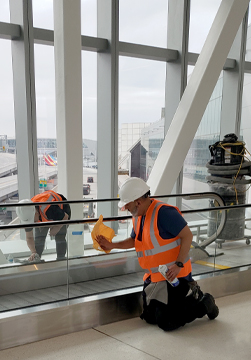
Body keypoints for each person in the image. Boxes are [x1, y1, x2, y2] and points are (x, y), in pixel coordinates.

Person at [96, 177, 219, 331]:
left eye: (127, 205)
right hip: (154, 278)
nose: (126, 208)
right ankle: (183, 302)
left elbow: (187, 235)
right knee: (149, 317)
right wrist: (112, 245)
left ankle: (203, 302)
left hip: (175, 277)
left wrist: (179, 264)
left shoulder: (164, 213)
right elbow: (135, 240)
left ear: (138, 201)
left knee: (167, 322)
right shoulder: (138, 217)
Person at [16, 190, 71, 262]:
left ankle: (61, 259)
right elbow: (29, 237)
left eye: (33, 221)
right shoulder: (26, 214)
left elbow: (65, 217)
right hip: (44, 215)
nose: (33, 223)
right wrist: (33, 252)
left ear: (35, 214)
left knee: (60, 237)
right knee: (39, 239)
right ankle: (36, 258)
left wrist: (57, 227)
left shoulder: (49, 209)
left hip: (62, 210)